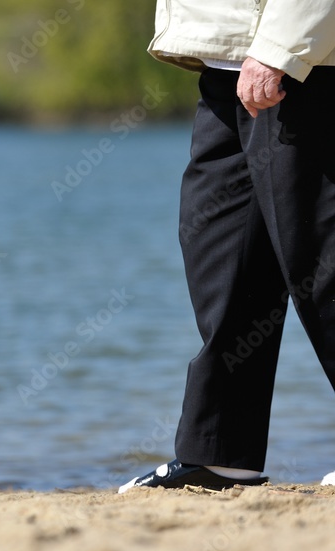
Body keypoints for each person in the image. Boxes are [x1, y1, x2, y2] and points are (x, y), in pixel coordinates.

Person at [119, 0, 335, 492]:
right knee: (224, 253)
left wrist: (283, 47)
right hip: (230, 64)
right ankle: (219, 453)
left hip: (301, 62)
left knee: (322, 257)